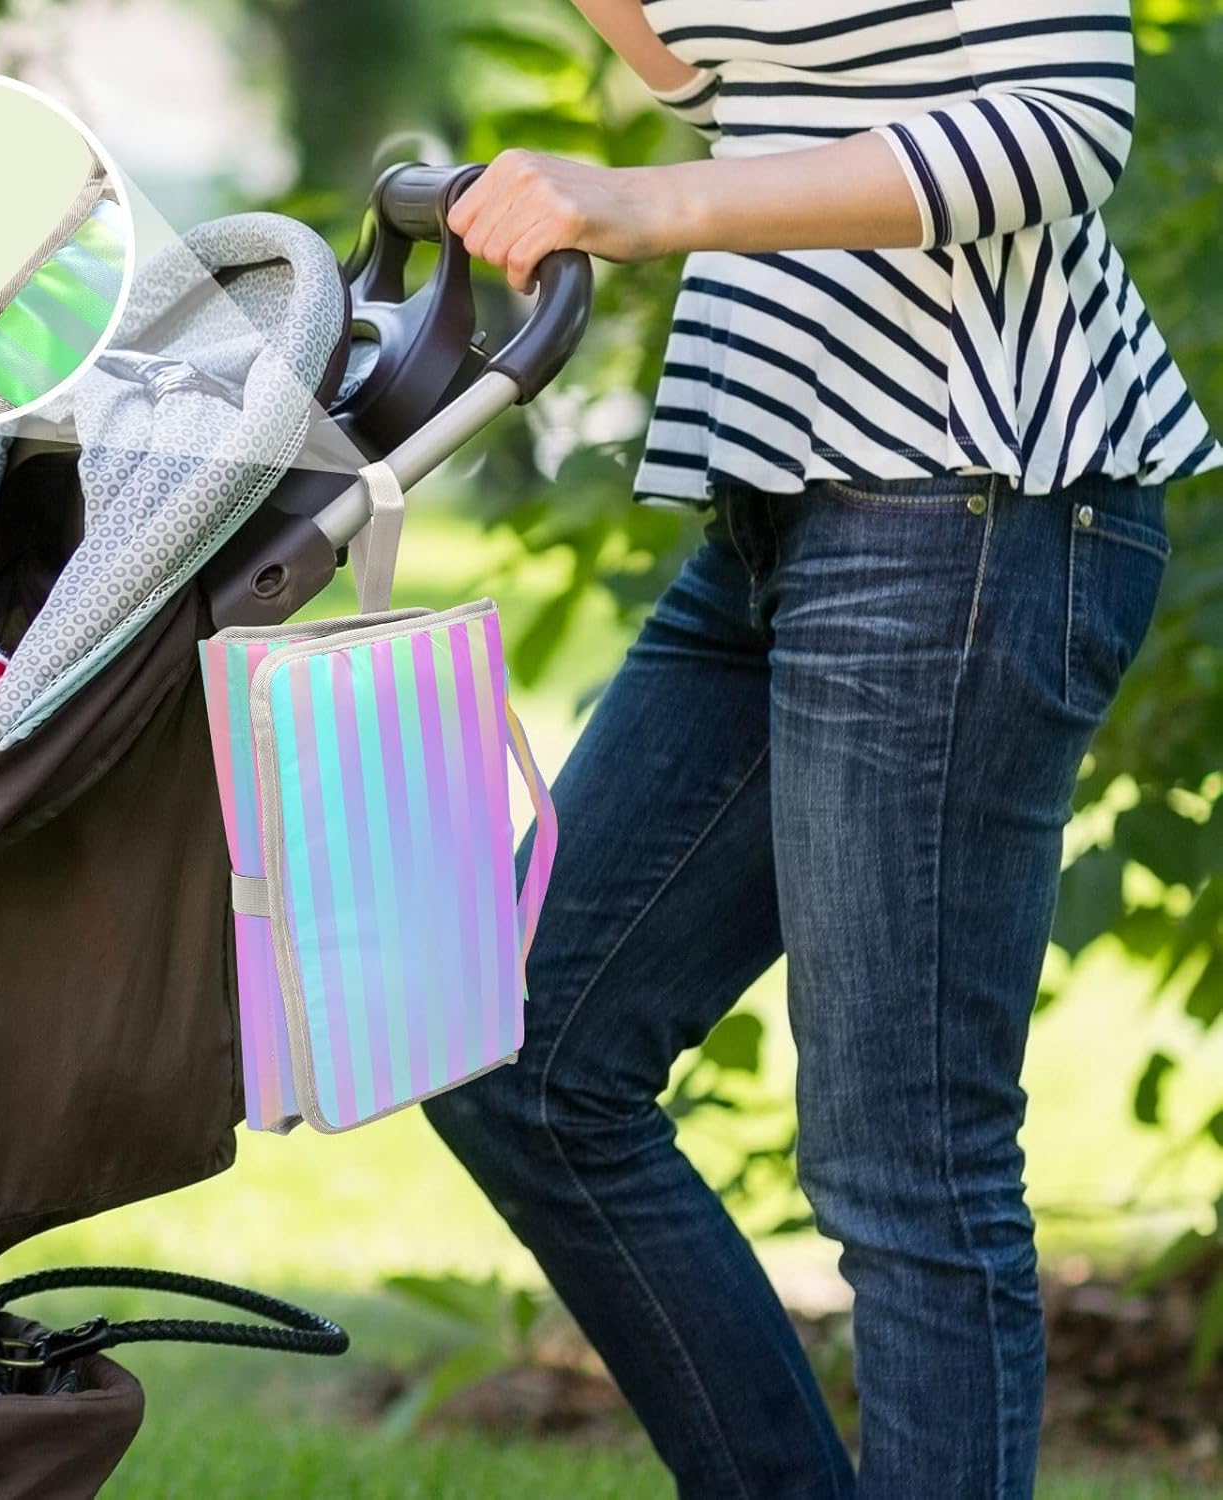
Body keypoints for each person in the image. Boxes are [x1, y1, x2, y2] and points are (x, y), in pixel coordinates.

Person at [423, 3, 1221, 1497]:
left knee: (909, 1169)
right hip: (781, 486)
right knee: (519, 1053)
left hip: (968, 489)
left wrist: (648, 206)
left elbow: (1062, 124)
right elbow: (722, 71)